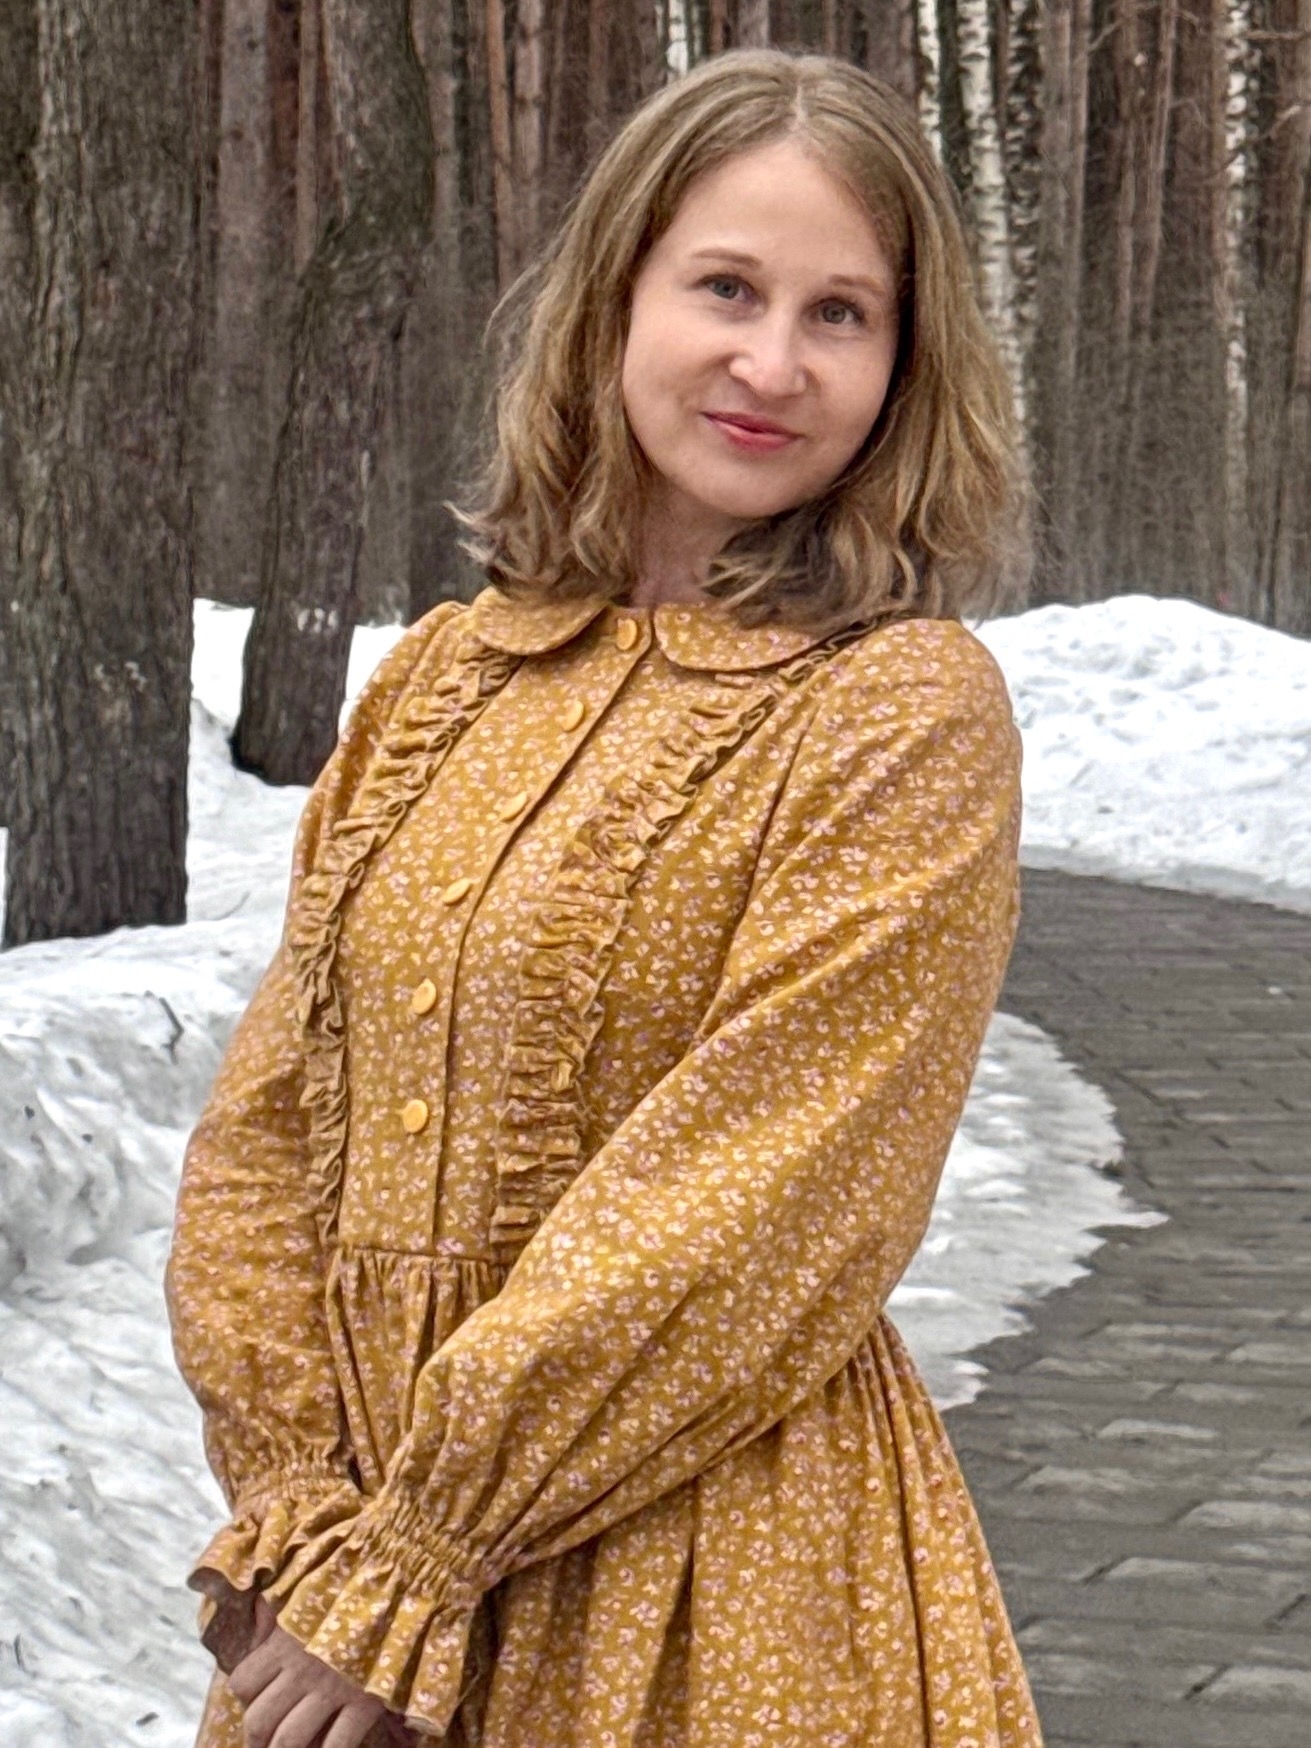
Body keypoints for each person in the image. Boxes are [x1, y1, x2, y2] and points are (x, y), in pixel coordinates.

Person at [166, 44, 1041, 1748]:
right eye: (726, 287)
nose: (772, 363)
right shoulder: (441, 679)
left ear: (904, 368)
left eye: (842, 314)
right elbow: (273, 1121)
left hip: (708, 1592)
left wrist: (428, 1546)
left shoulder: (899, 711)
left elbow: (768, 1191)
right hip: (349, 1598)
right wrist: (301, 1514)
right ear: (617, 298)